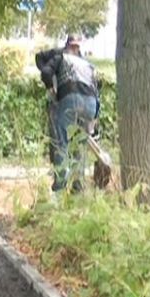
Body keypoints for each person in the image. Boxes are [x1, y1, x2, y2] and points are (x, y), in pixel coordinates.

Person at [35, 33, 99, 193]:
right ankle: (78, 188)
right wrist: (95, 117)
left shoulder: (61, 57)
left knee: (60, 142)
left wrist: (52, 89)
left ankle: (60, 187)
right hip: (91, 104)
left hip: (70, 99)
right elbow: (97, 88)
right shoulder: (88, 65)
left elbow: (46, 73)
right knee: (81, 146)